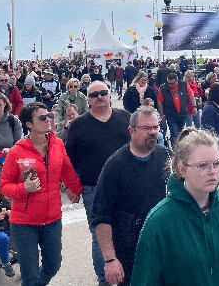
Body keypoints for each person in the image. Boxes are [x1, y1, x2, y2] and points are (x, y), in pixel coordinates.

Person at [131, 128, 219, 285]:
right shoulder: (159, 221)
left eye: (216, 163)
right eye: (202, 165)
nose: (212, 171)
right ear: (182, 169)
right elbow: (145, 279)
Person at [0, 102, 82, 286]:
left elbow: (67, 170)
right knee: (30, 274)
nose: (48, 120)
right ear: (29, 124)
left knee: (53, 265)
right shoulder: (16, 152)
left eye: (49, 116)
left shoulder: (57, 144)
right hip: (24, 223)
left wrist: (76, 189)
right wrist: (23, 189)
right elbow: (4, 186)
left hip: (52, 219)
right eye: (43, 118)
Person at [92, 106, 171, 286]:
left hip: (163, 247)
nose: (152, 132)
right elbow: (101, 217)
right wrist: (110, 259)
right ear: (131, 130)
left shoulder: (166, 156)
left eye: (155, 127)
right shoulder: (114, 166)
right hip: (129, 251)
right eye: (146, 128)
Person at [65, 81, 131, 285]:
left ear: (110, 95)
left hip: (127, 185)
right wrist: (70, 186)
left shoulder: (126, 118)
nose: (100, 97)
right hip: (93, 189)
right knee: (99, 236)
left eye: (103, 93)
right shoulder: (78, 125)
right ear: (88, 99)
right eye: (94, 95)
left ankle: (126, 272)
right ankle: (105, 279)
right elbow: (69, 160)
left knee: (128, 231)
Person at [156, 72, 196, 147]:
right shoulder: (163, 88)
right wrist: (161, 115)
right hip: (170, 114)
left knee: (181, 132)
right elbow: (159, 102)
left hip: (182, 113)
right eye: (168, 83)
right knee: (174, 132)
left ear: (177, 81)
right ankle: (175, 149)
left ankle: (181, 147)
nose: (169, 85)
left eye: (172, 84)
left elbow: (191, 95)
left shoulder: (184, 85)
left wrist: (194, 106)